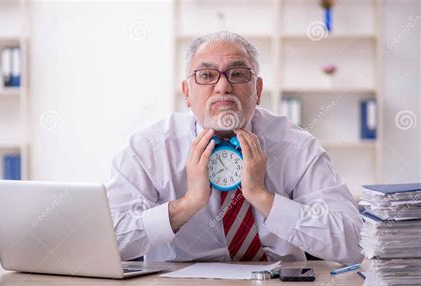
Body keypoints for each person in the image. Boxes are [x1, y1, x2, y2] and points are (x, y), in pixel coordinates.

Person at [107, 31, 363, 265]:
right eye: (206, 75)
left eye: (238, 74)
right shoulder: (148, 149)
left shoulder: (297, 146)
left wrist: (263, 197)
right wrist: (187, 205)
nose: (222, 87)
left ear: (258, 89)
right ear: (187, 92)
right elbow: (109, 241)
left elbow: (355, 243)